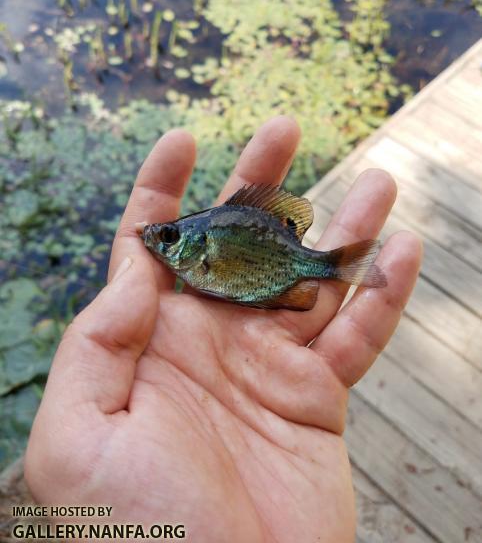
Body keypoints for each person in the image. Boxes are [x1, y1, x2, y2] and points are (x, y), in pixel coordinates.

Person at [25, 117, 422, 542]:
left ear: (198, 245)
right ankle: (340, 263)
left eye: (172, 237)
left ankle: (339, 262)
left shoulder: (209, 244)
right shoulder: (204, 243)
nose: (162, 241)